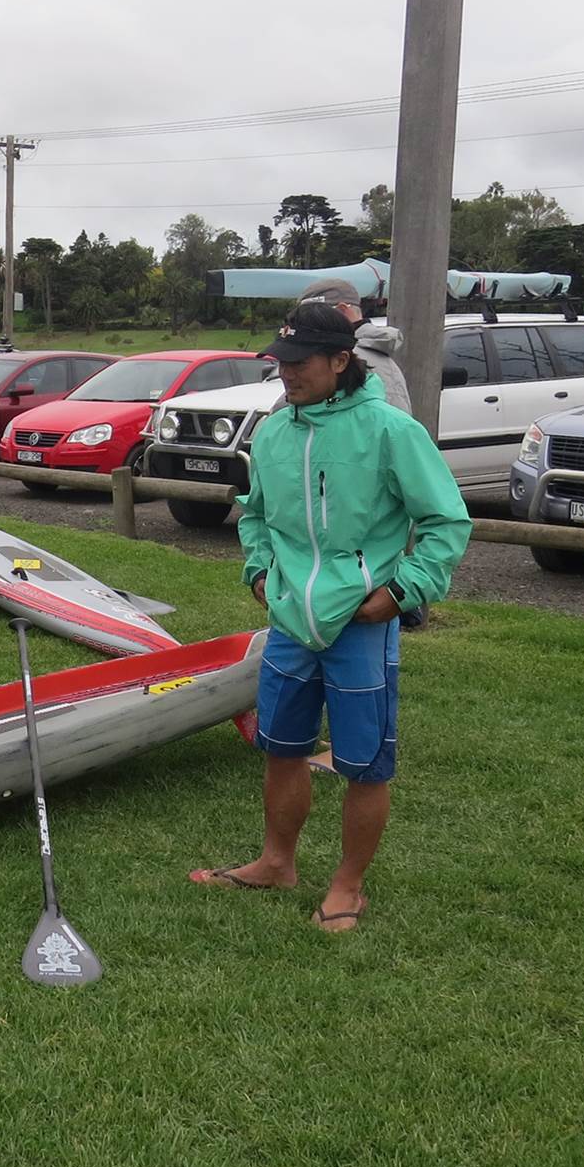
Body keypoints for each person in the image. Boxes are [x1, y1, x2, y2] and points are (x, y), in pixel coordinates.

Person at [193, 301, 470, 933]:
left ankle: (348, 885)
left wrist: (403, 592)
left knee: (365, 764)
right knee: (281, 749)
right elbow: (255, 514)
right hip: (291, 624)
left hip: (361, 627)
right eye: (280, 361)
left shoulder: (390, 430)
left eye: (300, 362)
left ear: (341, 360)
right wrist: (259, 572)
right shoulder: (274, 432)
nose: (286, 373)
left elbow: (446, 521)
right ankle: (276, 863)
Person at [300, 274, 424, 627]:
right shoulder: (377, 358)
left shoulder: (363, 361)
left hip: (358, 540)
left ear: (343, 311)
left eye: (313, 320)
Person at [299, 275, 409, 411]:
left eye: (309, 318)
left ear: (342, 311)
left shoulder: (350, 358)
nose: (302, 327)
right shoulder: (380, 358)